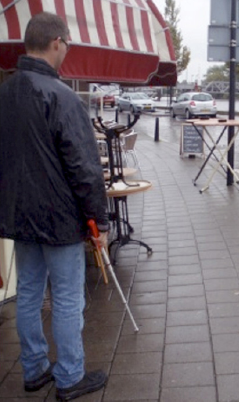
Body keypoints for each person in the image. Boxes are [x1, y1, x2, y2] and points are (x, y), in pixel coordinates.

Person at [0, 12, 109, 401]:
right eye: (69, 44)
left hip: (19, 215)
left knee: (29, 290)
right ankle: (69, 377)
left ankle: (33, 369)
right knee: (67, 297)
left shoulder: (5, 93)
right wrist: (99, 219)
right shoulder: (61, 96)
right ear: (57, 42)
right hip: (60, 218)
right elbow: (84, 166)